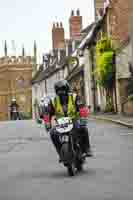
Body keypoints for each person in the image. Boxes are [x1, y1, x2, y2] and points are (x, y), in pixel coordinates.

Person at [49, 80, 92, 160]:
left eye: (63, 90)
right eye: (59, 90)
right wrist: (47, 122)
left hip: (73, 120)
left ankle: (87, 149)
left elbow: (82, 108)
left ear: (67, 90)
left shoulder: (74, 97)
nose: (61, 92)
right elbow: (48, 113)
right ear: (56, 91)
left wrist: (83, 118)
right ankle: (60, 152)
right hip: (61, 123)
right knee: (52, 133)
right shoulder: (53, 101)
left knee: (83, 129)